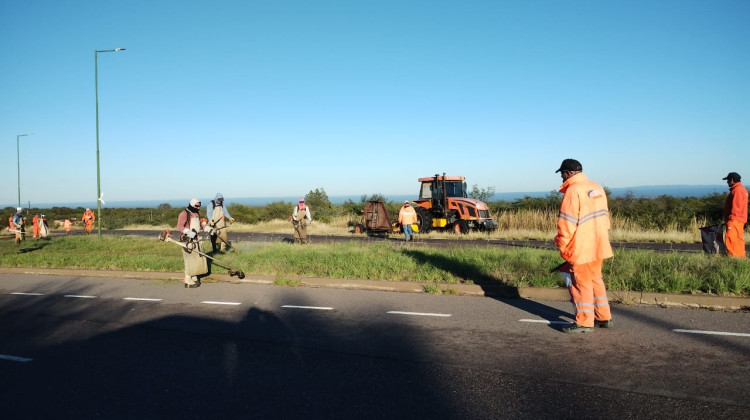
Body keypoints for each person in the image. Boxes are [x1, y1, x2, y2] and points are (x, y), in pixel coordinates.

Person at [554, 158, 614, 333]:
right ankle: (603, 317)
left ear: (568, 173)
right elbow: (606, 218)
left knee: (581, 283)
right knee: (596, 280)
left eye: (562, 174)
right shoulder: (597, 187)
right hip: (599, 243)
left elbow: (567, 224)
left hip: (581, 247)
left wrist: (562, 245)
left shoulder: (573, 191)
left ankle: (584, 322)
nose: (562, 178)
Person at [176, 198, 208, 288]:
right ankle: (187, 279)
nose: (198, 207)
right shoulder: (184, 214)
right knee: (189, 259)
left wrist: (206, 228)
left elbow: (199, 225)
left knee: (196, 258)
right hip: (187, 240)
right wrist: (188, 232)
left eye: (199, 206)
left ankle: (194, 276)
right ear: (192, 204)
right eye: (197, 206)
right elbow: (179, 226)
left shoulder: (196, 214)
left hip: (196, 239)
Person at [722, 172, 748, 258]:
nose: (727, 182)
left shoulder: (737, 190)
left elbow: (737, 206)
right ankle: (740, 260)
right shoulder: (740, 189)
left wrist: (731, 219)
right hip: (738, 220)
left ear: (732, 180)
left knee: (731, 240)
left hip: (735, 220)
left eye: (728, 180)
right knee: (738, 240)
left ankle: (733, 259)